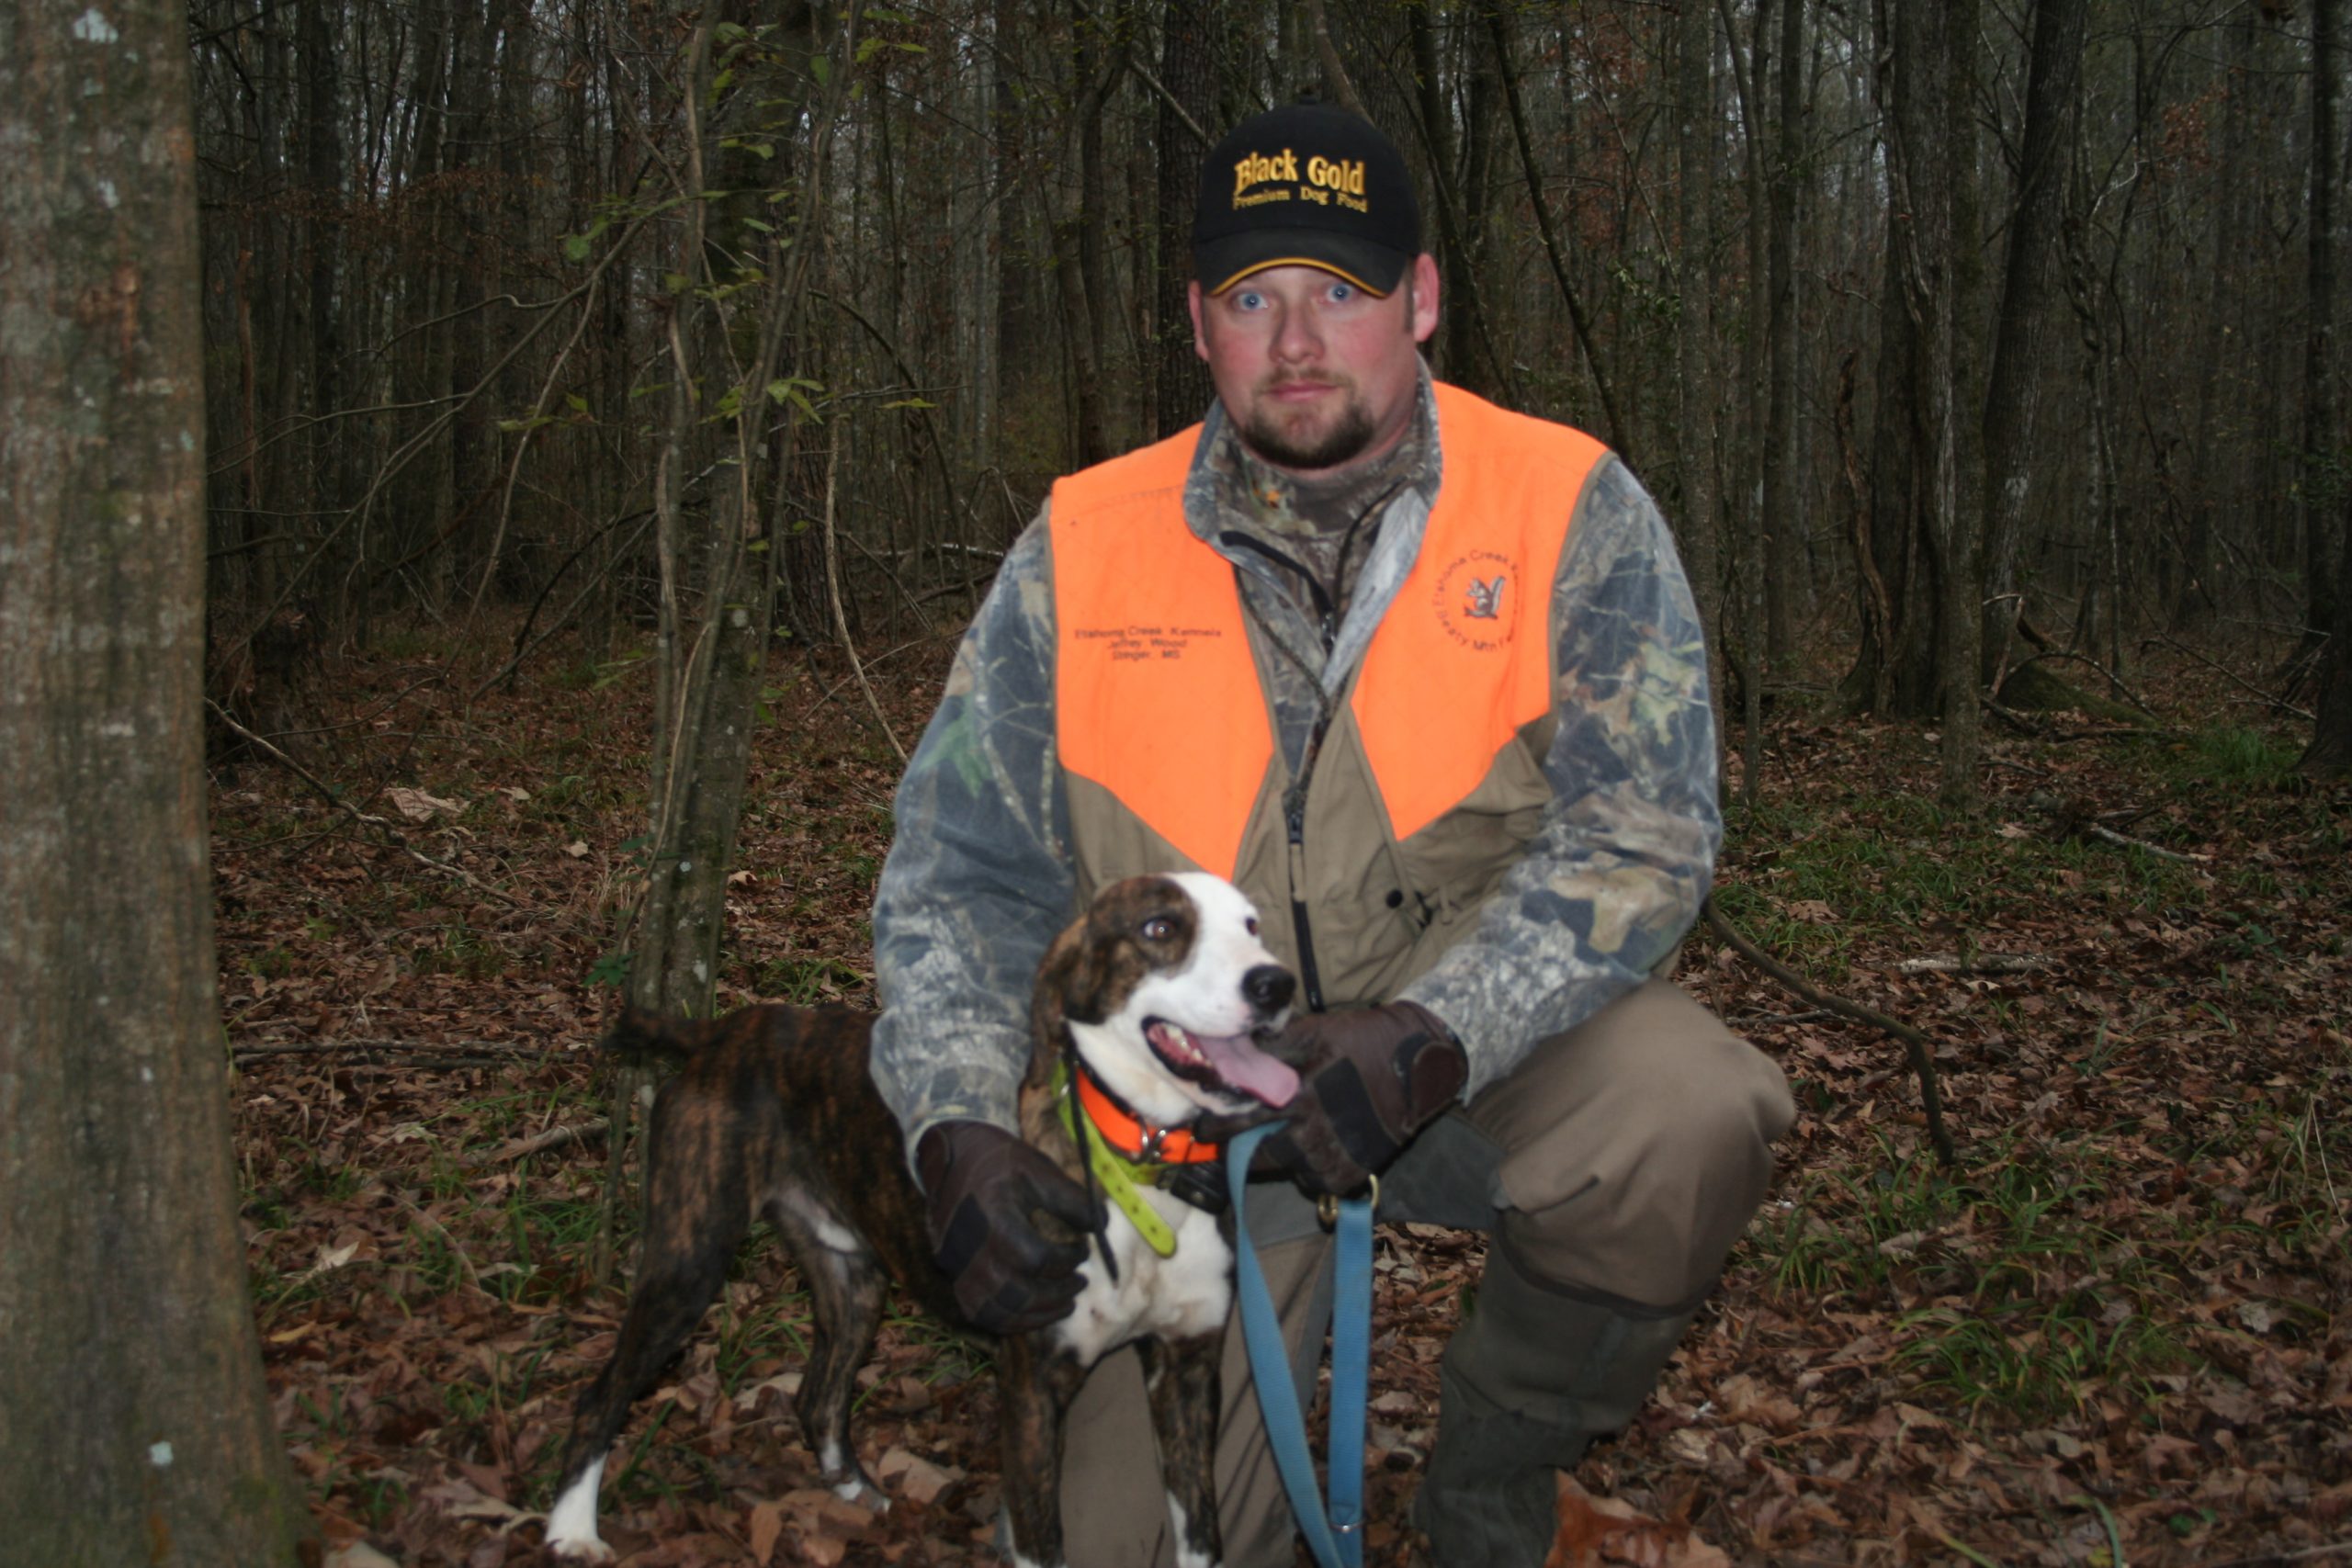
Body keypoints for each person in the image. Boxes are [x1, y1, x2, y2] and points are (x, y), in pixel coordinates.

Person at [869, 98, 1793, 1567]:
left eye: (1341, 293)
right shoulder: (1083, 549)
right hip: (1178, 1132)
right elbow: (956, 882)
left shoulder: (1568, 509)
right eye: (1253, 298)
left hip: (1469, 1063)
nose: (1296, 341)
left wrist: (1435, 1030)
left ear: (1420, 302)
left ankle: (1497, 1461)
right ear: (1199, 323)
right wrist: (957, 1123)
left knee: (1687, 1117)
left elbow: (1648, 831)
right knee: (1124, 1548)